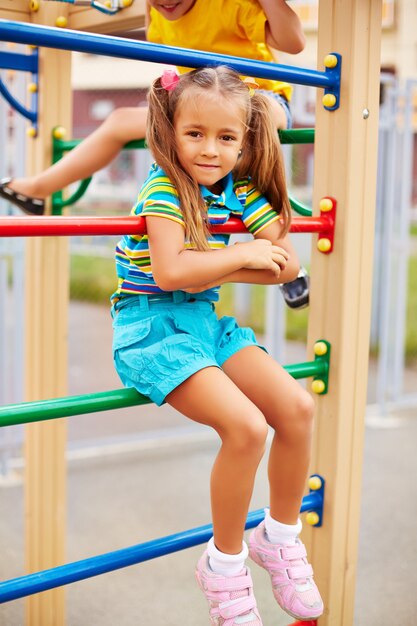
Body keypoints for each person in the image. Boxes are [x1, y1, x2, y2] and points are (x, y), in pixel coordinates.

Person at [111, 65, 323, 625]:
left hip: (205, 322)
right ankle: (224, 566)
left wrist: (244, 260)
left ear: (245, 140)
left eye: (226, 137)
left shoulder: (241, 190)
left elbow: (287, 266)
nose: (210, 150)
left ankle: (279, 536)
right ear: (171, 132)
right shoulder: (163, 189)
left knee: (298, 409)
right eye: (195, 134)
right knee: (247, 427)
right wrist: (241, 256)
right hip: (151, 327)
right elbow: (170, 272)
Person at [0, 0, 309, 308]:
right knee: (122, 120)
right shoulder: (160, 18)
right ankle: (39, 189)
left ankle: (279, 252)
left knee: (246, 131)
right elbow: (158, 36)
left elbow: (294, 41)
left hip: (258, 97)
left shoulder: (227, 6)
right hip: (199, 105)